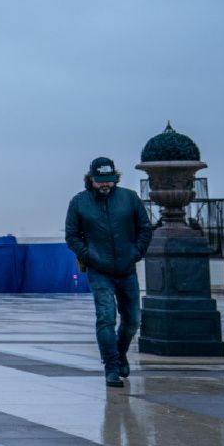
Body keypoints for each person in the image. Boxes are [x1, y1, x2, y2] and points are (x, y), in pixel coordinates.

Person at [65, 157, 153, 388]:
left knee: (133, 320)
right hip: (99, 270)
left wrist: (135, 253)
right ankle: (111, 367)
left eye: (109, 180)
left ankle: (120, 352)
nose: (105, 185)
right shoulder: (79, 202)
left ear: (115, 178)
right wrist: (89, 256)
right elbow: (72, 236)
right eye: (100, 181)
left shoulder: (129, 198)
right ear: (91, 179)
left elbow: (145, 228)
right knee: (105, 318)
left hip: (127, 269)